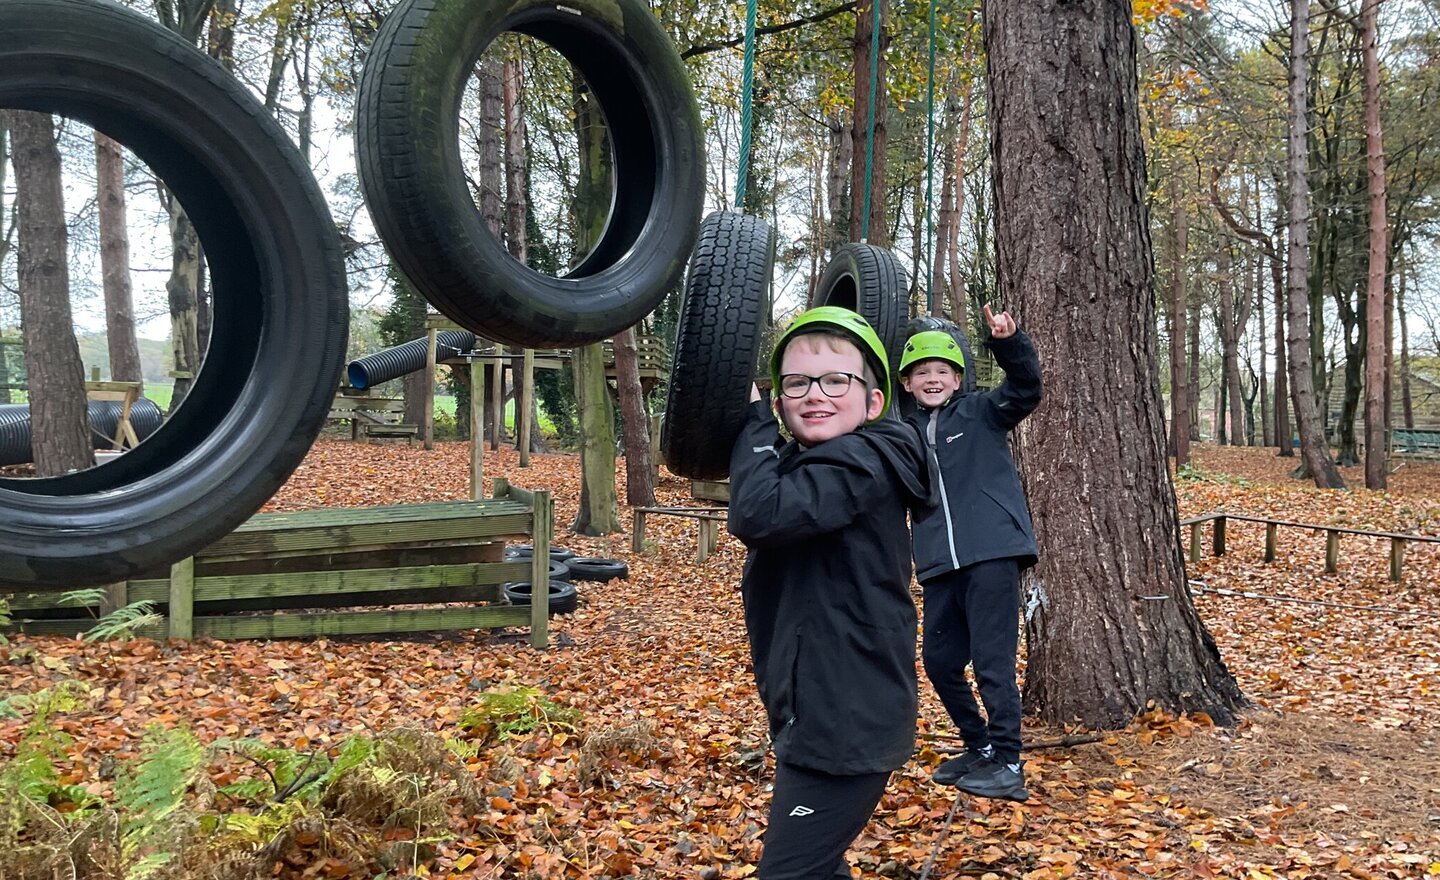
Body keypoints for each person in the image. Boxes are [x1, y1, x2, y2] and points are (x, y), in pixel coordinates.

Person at [728, 306, 936, 879]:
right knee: (816, 868)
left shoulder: (861, 461)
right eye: (796, 382)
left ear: (874, 401)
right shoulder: (824, 462)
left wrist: (752, 426)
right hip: (821, 707)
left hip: (845, 721)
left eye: (836, 380)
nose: (814, 394)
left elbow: (758, 514)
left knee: (790, 873)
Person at [899, 304, 1042, 803]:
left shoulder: (982, 412)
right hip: (939, 564)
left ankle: (1008, 760)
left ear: (958, 380)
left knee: (992, 663)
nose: (932, 378)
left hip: (992, 554)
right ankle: (978, 747)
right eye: (922, 372)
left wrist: (1009, 343)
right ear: (907, 383)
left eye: (942, 371)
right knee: (939, 661)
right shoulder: (903, 433)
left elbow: (1026, 389)